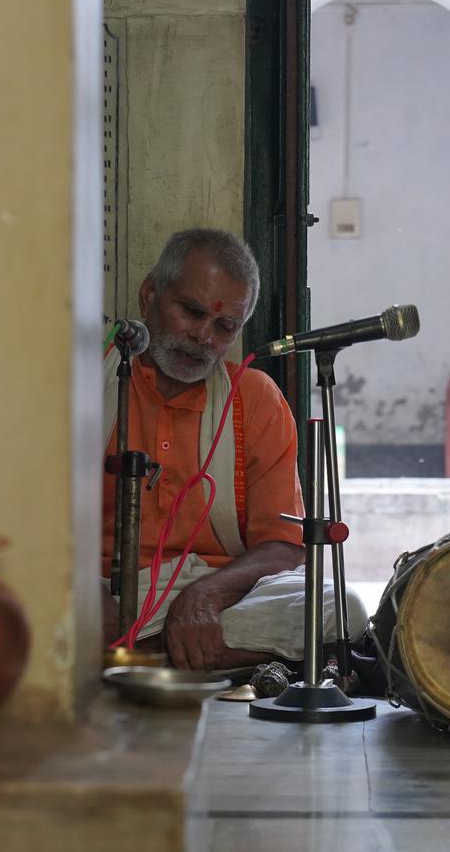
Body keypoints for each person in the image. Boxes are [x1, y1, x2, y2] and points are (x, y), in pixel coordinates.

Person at [102, 228, 364, 671]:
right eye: (191, 311)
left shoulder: (254, 397)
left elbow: (282, 545)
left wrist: (205, 595)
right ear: (150, 295)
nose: (203, 337)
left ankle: (136, 659)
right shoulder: (89, 380)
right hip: (108, 590)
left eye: (224, 326)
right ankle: (193, 657)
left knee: (341, 605)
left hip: (221, 592)